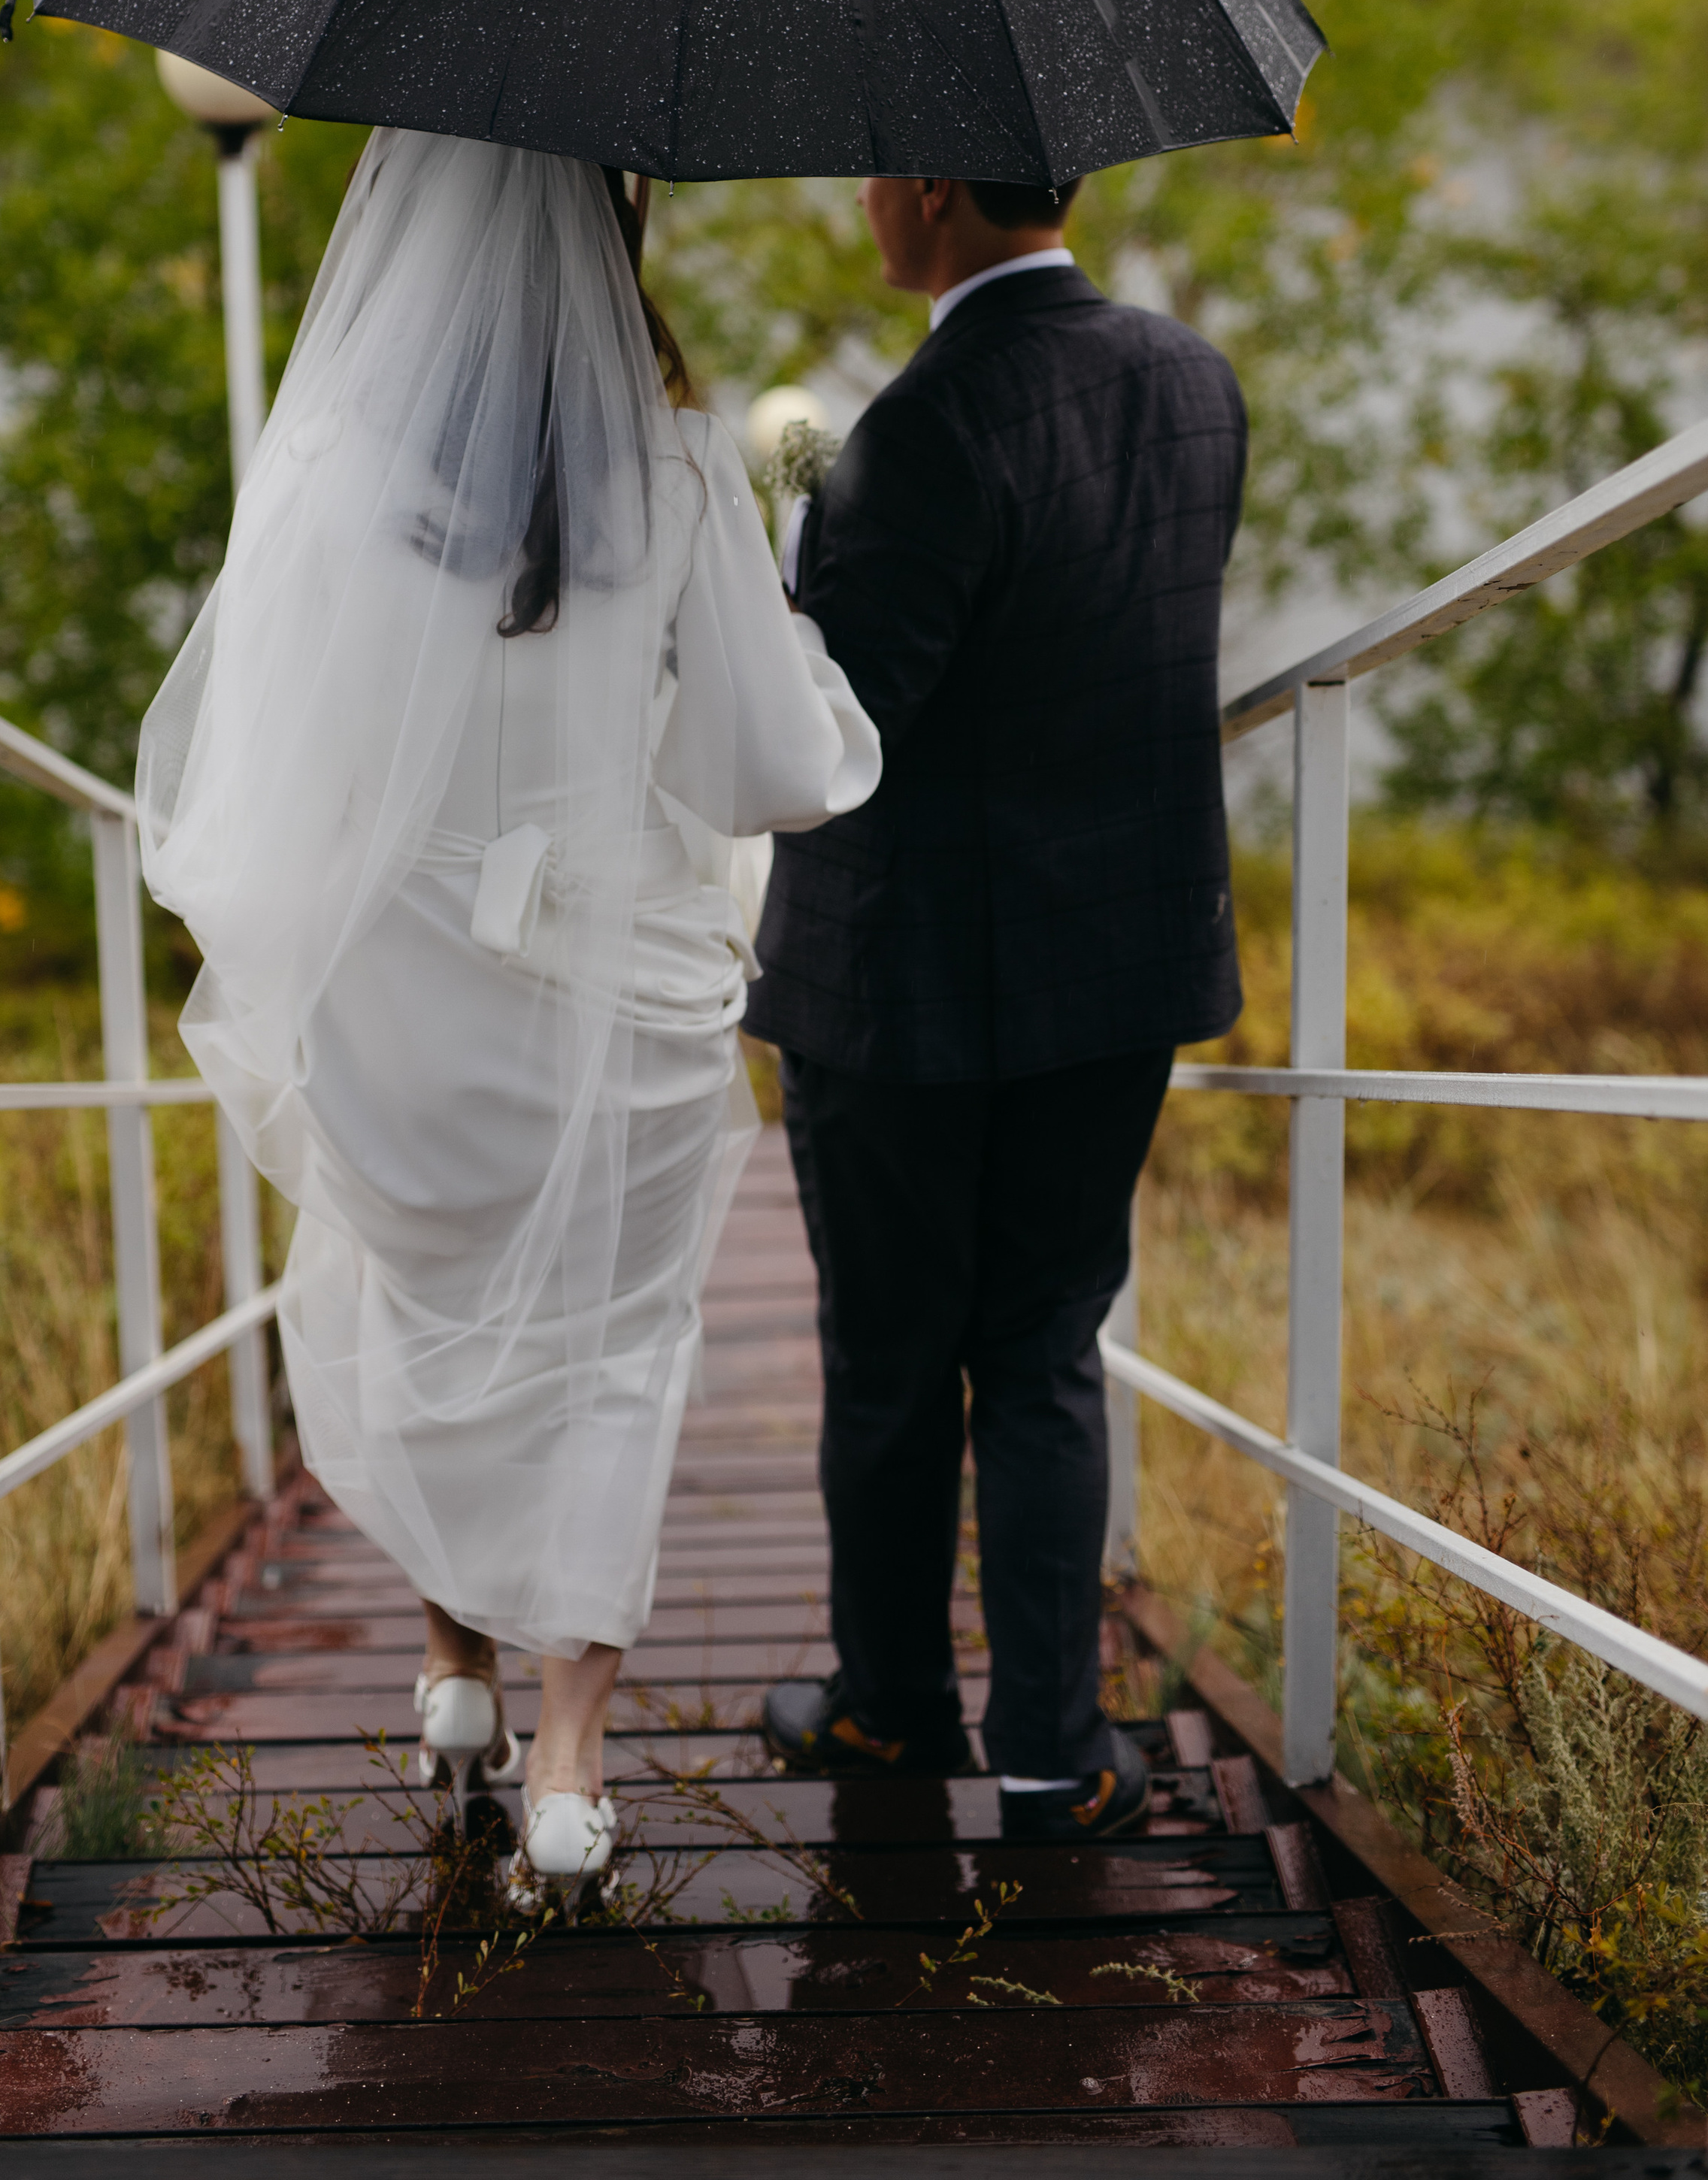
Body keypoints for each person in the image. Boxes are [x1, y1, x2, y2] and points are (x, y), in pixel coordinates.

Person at [137, 130, 879, 1905]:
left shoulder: (322, 465)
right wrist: (801, 654)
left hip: (412, 995)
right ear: (616, 223)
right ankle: (564, 1764)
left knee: (432, 1296)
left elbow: (277, 768)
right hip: (622, 1005)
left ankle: (452, 1672)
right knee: (610, 1360)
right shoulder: (683, 467)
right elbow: (760, 771)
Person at [746, 171, 1246, 1842]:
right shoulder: (1190, 383)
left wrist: (791, 560)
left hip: (901, 988)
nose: (864, 205)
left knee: (891, 1364)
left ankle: (893, 1713)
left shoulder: (919, 428)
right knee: (1040, 1349)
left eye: (874, 178)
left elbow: (831, 733)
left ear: (934, 198)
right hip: (1110, 963)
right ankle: (1051, 1758)